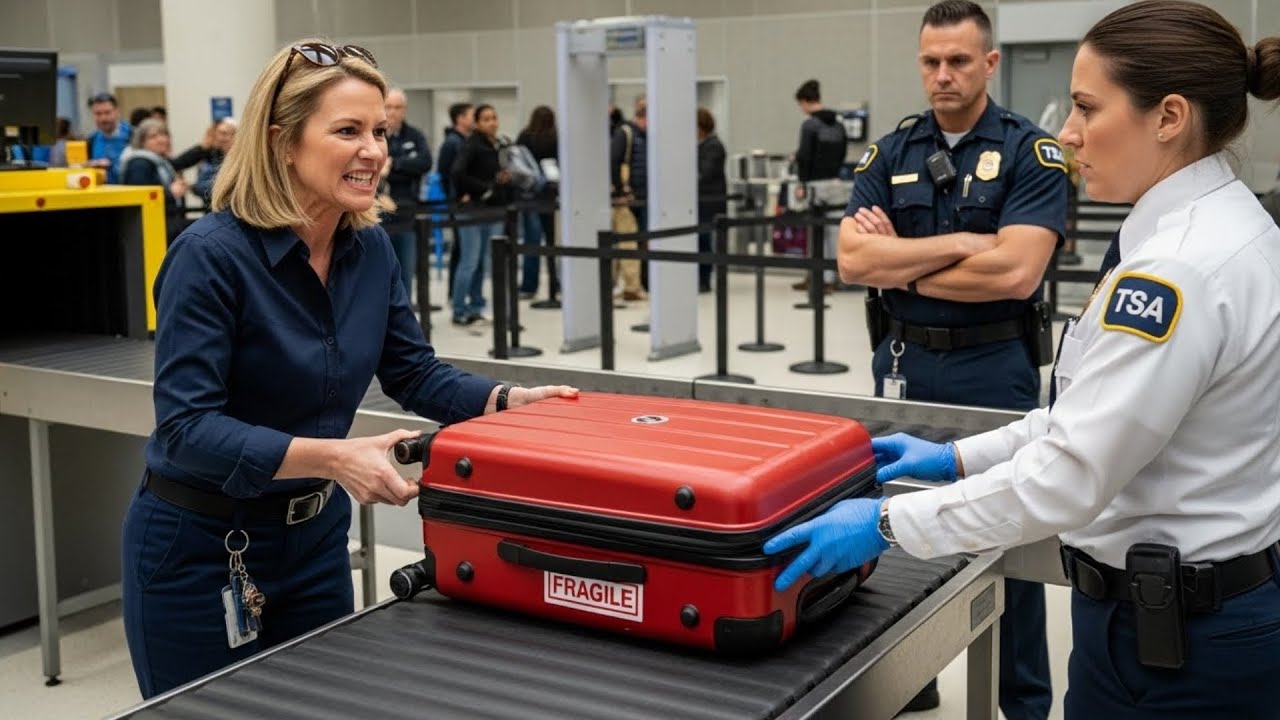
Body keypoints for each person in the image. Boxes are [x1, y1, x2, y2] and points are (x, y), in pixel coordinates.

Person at [768, 2, 1280, 717]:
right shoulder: (1218, 227)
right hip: (1170, 618)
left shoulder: (1179, 270)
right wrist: (956, 460)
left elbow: (1069, 475)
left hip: (1179, 647)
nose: (1068, 134)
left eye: (1085, 107)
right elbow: (1085, 419)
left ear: (1168, 117)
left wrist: (886, 525)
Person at [120, 40, 578, 699]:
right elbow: (188, 428)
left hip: (313, 546)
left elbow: (414, 374)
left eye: (380, 132)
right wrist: (333, 458)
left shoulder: (368, 252)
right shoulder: (210, 258)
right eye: (348, 131)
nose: (374, 151)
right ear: (281, 142)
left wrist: (508, 401)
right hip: (199, 553)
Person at [835, 2, 1069, 716]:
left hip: (992, 364)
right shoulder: (891, 153)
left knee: (1010, 534)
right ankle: (915, 681)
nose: (942, 75)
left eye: (959, 61)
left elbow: (1015, 275)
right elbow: (851, 258)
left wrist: (897, 264)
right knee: (902, 523)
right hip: (903, 361)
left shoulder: (1032, 153)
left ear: (990, 63)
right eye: (931, 61)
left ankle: (1022, 703)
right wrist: (968, 244)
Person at [450, 104, 513, 325]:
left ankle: (476, 305)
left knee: (483, 261)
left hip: (493, 211)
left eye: (494, 118)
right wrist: (482, 188)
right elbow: (457, 173)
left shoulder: (496, 145)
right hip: (472, 212)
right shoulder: (472, 144)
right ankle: (459, 310)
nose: (492, 122)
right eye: (486, 119)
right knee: (469, 261)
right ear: (477, 123)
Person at [792, 78, 848, 294]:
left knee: (815, 233)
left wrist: (801, 183)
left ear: (805, 102)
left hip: (815, 184)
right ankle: (834, 277)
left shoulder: (810, 125)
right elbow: (842, 152)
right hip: (835, 182)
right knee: (834, 233)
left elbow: (805, 157)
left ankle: (817, 278)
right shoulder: (839, 124)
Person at [380, 88, 432, 302]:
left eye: (397, 107)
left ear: (405, 110)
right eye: (389, 107)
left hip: (408, 210)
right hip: (380, 210)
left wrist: (395, 165)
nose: (393, 112)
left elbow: (424, 162)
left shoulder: (415, 135)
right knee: (382, 268)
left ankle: (406, 313)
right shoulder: (376, 134)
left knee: (406, 266)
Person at [118, 118, 188, 244]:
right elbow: (138, 198)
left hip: (165, 228)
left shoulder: (160, 162)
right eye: (153, 137)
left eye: (164, 134)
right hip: (150, 235)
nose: (162, 140)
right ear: (141, 141)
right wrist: (170, 193)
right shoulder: (139, 164)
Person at [515, 105, 559, 300]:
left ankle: (529, 286)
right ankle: (554, 283)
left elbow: (516, 163)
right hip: (551, 196)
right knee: (552, 243)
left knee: (532, 243)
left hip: (530, 196)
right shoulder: (556, 138)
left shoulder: (525, 137)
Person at [437, 102, 473, 297]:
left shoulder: (467, 141)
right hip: (457, 203)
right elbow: (444, 173)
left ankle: (460, 291)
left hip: (464, 203)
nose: (473, 119)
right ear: (459, 118)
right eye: (470, 115)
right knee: (459, 248)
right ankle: (454, 292)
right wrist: (456, 197)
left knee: (462, 249)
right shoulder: (452, 143)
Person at [171, 117, 238, 204]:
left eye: (226, 133)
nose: (222, 138)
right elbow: (176, 164)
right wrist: (203, 147)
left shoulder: (240, 157)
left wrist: (192, 187)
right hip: (210, 206)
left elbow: (225, 186)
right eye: (220, 133)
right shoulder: (209, 152)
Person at [696, 107, 727, 293]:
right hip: (702, 201)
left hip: (709, 202)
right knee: (701, 241)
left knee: (705, 241)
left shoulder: (714, 146)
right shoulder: (701, 145)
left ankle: (704, 280)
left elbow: (705, 174)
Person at [85, 92, 131, 183]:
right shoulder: (91, 140)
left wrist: (111, 165)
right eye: (98, 114)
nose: (103, 118)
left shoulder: (133, 136)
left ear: (117, 112)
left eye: (107, 112)